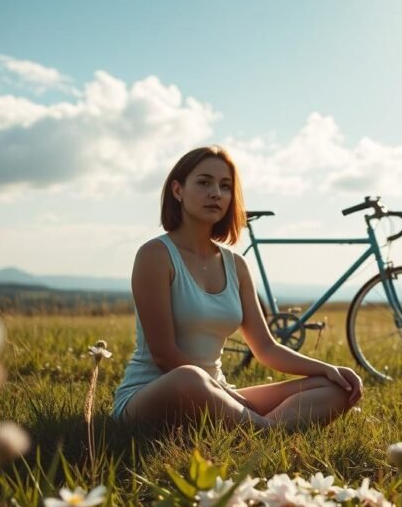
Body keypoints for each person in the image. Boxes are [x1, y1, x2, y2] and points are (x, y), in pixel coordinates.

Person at [112, 145, 363, 430]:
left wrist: (327, 369)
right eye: (204, 182)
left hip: (219, 394)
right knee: (189, 378)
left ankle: (254, 428)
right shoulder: (155, 255)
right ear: (178, 190)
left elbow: (266, 348)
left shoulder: (236, 265)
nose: (216, 193)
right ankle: (266, 432)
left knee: (336, 387)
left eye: (225, 186)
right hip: (156, 393)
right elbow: (164, 354)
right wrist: (225, 396)